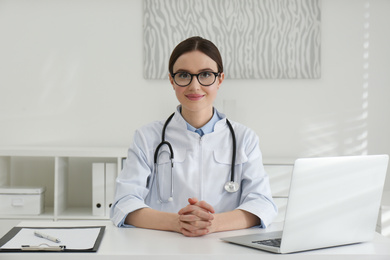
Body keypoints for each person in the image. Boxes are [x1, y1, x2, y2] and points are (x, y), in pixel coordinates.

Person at [110, 36, 277, 237]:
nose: (195, 86)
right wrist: (178, 223)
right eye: (183, 75)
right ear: (172, 80)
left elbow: (262, 204)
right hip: (162, 248)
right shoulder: (147, 137)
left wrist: (213, 224)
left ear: (220, 79)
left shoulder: (245, 138)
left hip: (226, 249)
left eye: (205, 74)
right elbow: (124, 203)